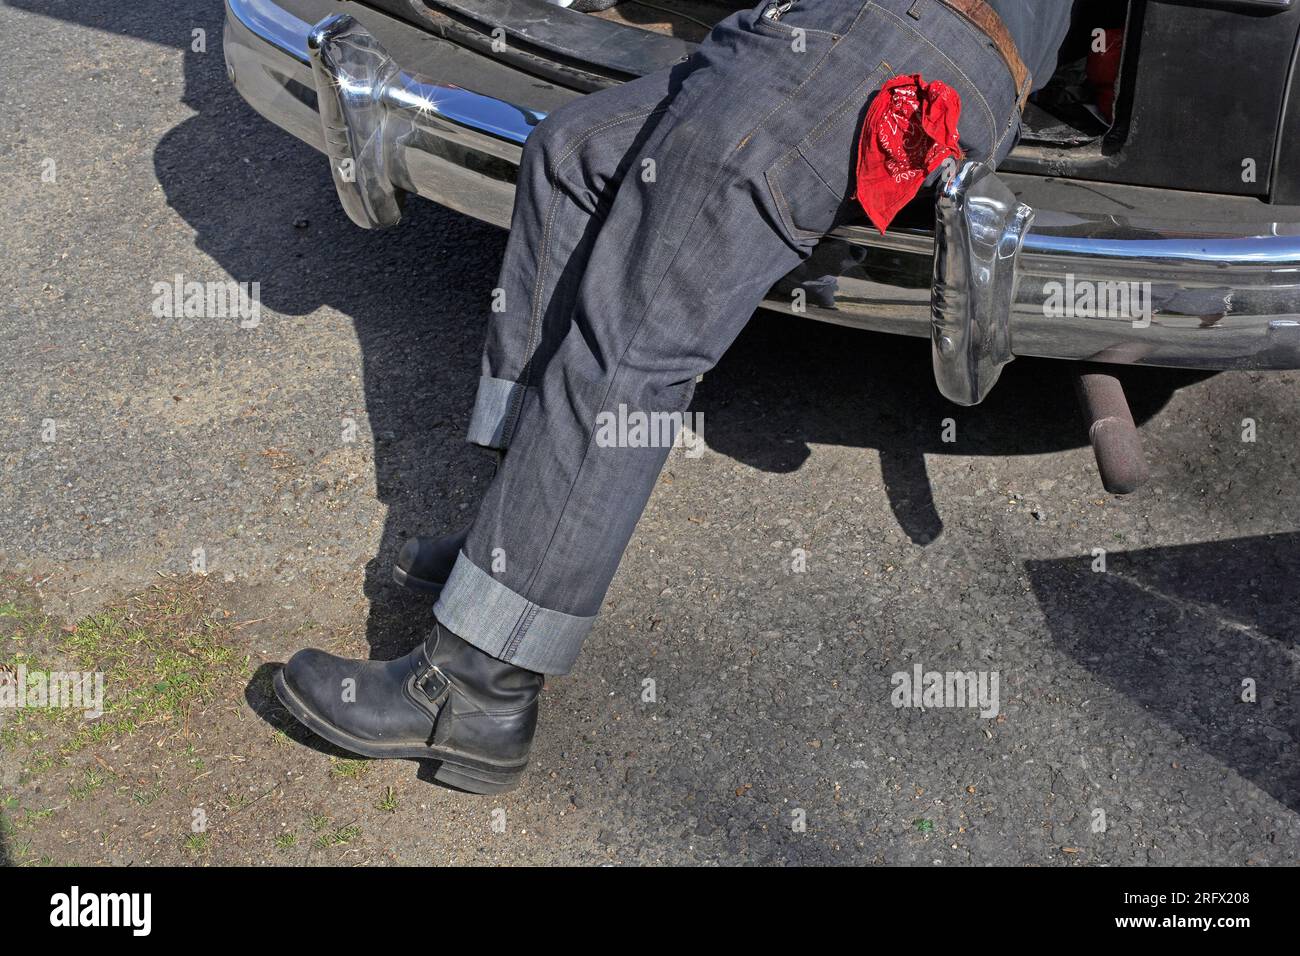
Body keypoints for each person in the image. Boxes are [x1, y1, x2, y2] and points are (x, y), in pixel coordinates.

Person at [274, 0, 1076, 793]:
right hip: (847, 30)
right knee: (572, 160)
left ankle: (477, 687)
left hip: (886, 34)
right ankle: (512, 552)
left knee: (633, 336)